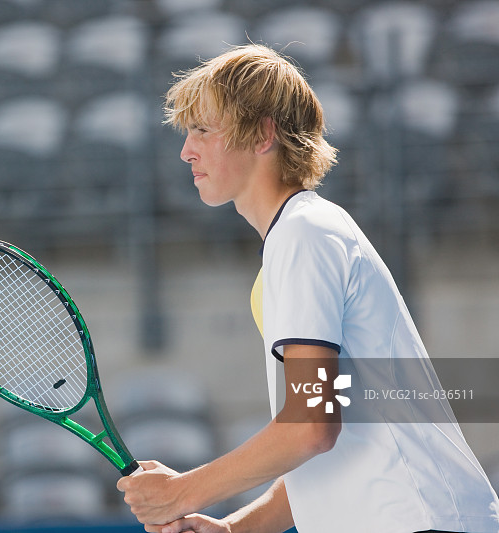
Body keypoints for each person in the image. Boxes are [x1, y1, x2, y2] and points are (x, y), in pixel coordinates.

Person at [116, 43, 499, 533]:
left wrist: (181, 493)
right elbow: (320, 432)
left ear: (262, 134)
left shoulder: (304, 234)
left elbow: (311, 426)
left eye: (203, 130)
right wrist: (234, 529)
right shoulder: (302, 235)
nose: (186, 150)